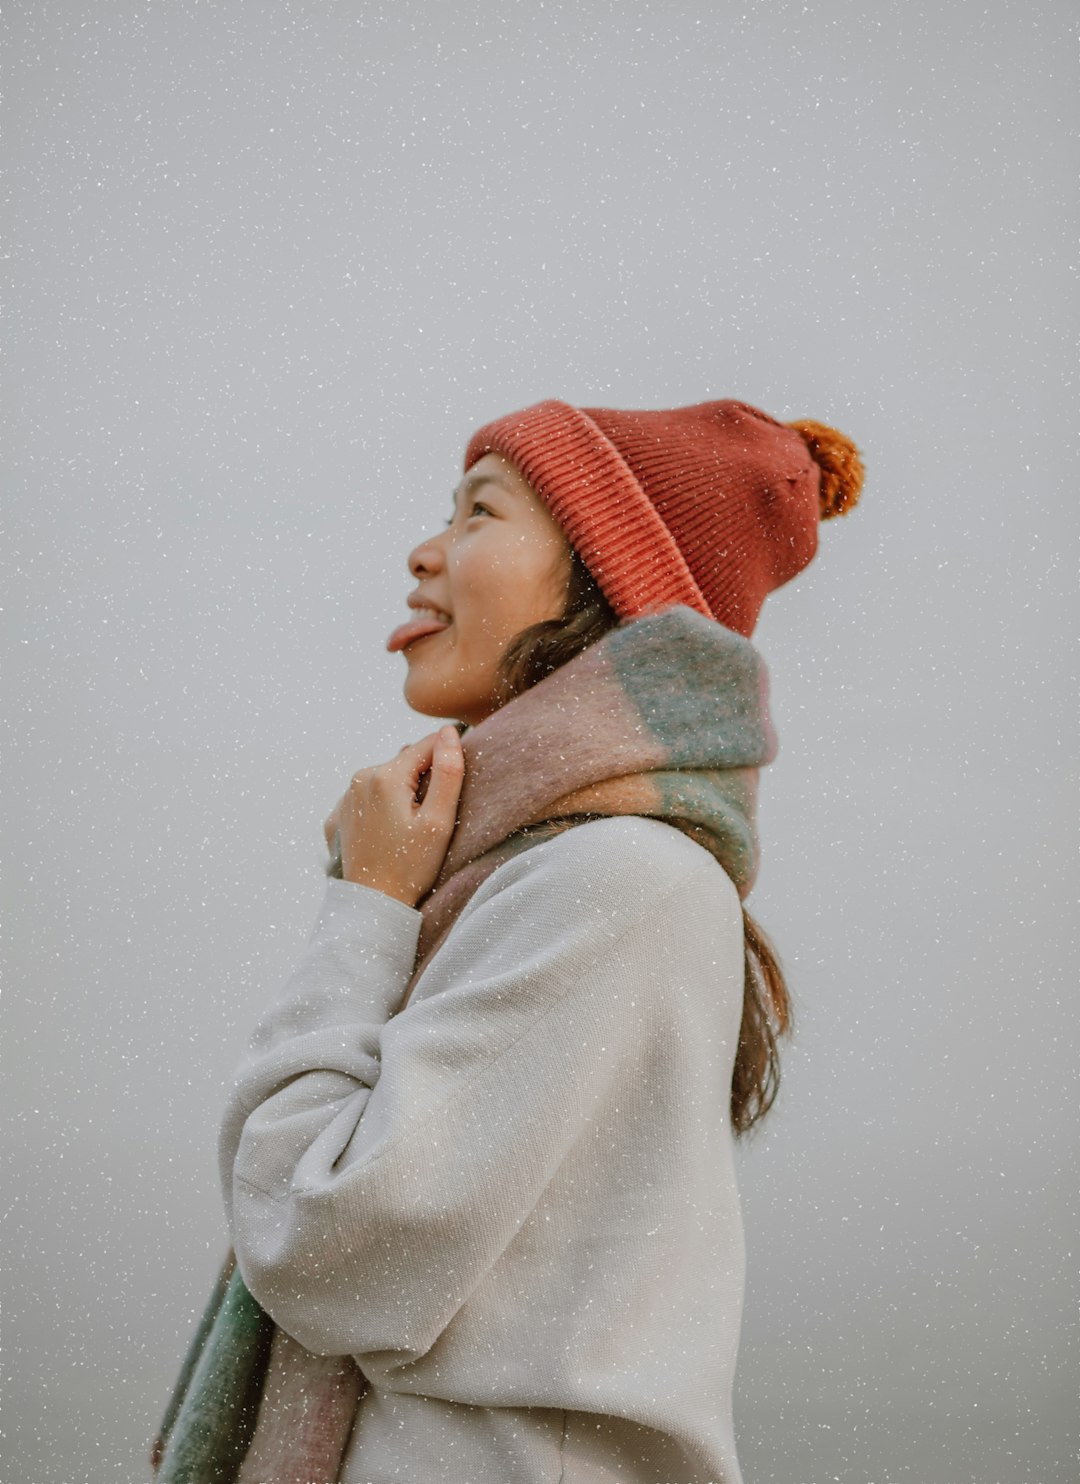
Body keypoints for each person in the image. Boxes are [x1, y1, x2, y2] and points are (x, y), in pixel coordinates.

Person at [153, 396, 863, 1484]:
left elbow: (321, 1244)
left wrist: (368, 908)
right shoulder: (555, 873)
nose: (424, 551)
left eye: (480, 511)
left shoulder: (618, 876)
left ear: (608, 576)